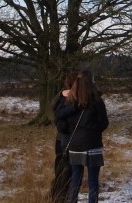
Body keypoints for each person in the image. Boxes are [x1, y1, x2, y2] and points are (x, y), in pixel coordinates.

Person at [54, 69, 110, 203]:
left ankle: (72, 201)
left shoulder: (70, 102)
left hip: (75, 145)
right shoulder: (97, 101)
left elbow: (59, 117)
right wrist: (93, 129)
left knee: (75, 180)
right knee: (93, 182)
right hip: (93, 144)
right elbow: (104, 123)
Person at [50, 71, 80, 203]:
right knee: (67, 170)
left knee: (61, 169)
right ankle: (60, 197)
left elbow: (52, 112)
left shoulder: (60, 95)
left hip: (61, 138)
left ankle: (57, 196)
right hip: (68, 139)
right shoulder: (71, 97)